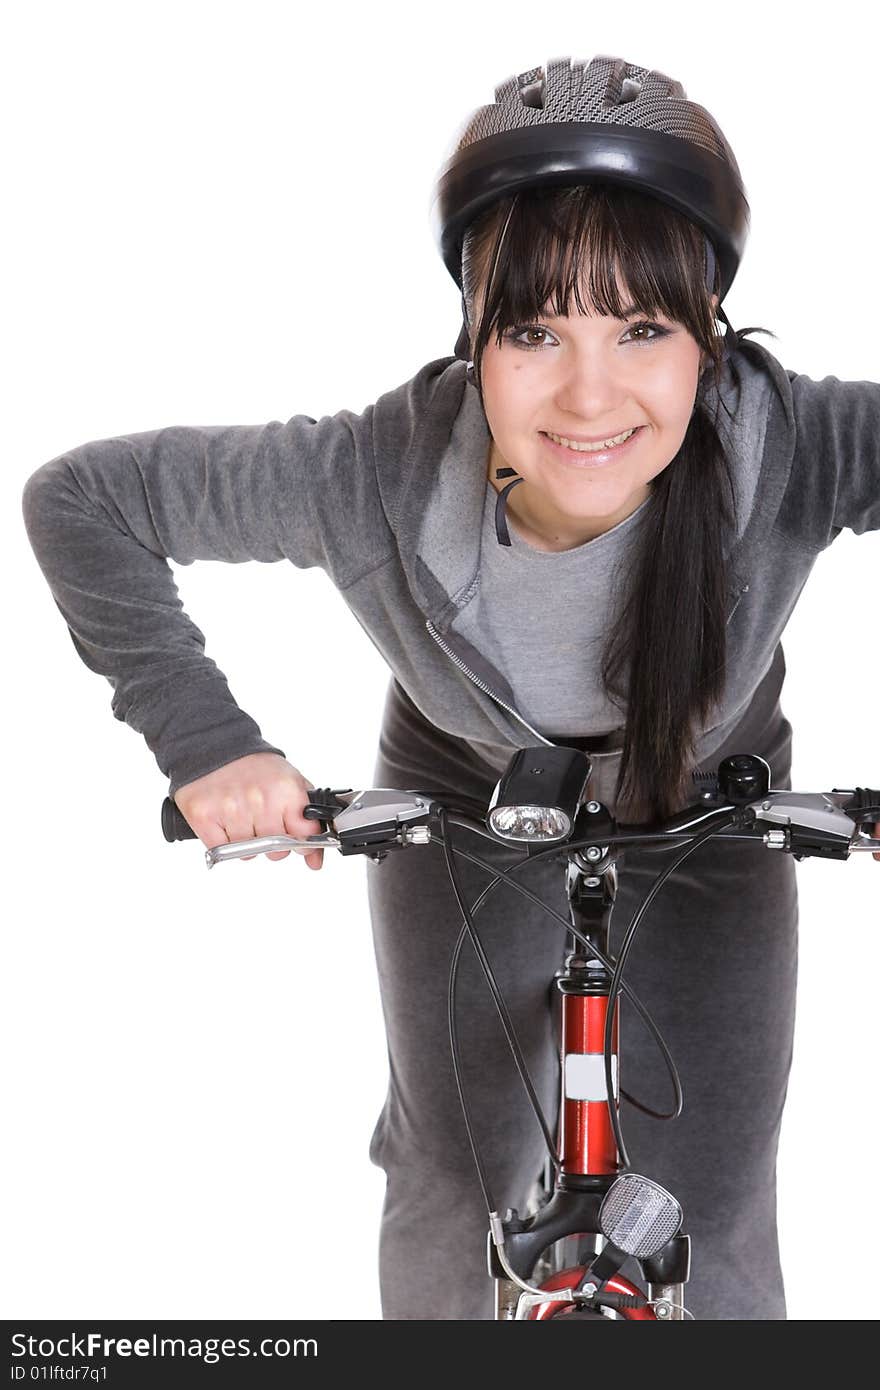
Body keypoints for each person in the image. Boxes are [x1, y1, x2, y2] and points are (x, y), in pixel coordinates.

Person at [21, 54, 880, 1320]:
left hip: (709, 808)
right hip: (466, 803)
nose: (591, 396)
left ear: (706, 334)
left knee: (715, 1192)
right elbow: (83, 500)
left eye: (641, 329)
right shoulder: (376, 469)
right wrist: (210, 743)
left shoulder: (794, 445)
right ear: (473, 338)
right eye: (534, 331)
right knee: (454, 1167)